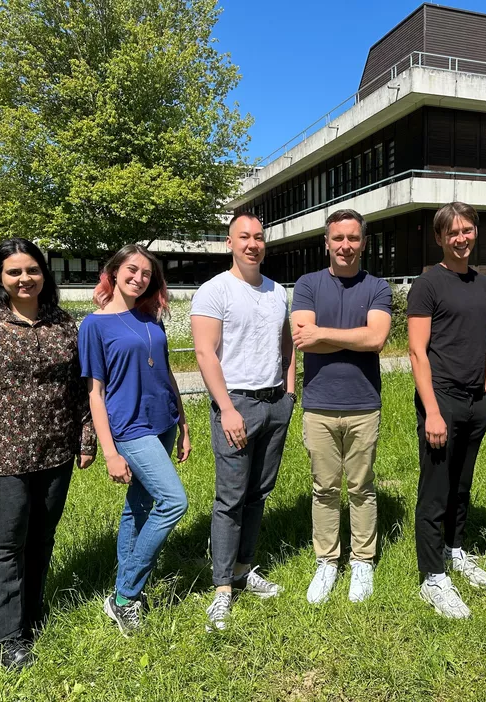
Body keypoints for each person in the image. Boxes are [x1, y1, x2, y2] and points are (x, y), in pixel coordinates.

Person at [0, 238, 95, 669]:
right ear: (0, 277)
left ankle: (31, 615)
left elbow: (79, 387)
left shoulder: (62, 322)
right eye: (14, 272)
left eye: (32, 270)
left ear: (45, 274)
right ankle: (7, 638)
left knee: (41, 540)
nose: (25, 278)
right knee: (4, 547)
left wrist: (85, 438)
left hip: (55, 454)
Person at [78, 244, 191, 636]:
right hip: (129, 428)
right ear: (113, 271)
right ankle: (125, 595)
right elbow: (95, 393)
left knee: (139, 506)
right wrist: (108, 451)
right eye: (131, 269)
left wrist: (184, 423)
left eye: (146, 273)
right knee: (174, 502)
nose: (139, 278)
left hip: (164, 422)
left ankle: (124, 590)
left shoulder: (151, 319)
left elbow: (167, 373)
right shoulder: (93, 325)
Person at [191, 212, 296, 630]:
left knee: (258, 494)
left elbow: (286, 345)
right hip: (236, 405)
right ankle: (221, 589)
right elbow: (204, 354)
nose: (252, 243)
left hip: (274, 404)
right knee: (231, 498)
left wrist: (289, 393)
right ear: (229, 243)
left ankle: (243, 568)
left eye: (258, 237)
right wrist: (227, 409)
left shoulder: (276, 292)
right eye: (244, 237)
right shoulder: (214, 291)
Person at [291, 209, 392, 604]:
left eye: (353, 238)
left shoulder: (377, 287)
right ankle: (327, 561)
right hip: (318, 403)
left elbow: (377, 340)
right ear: (327, 243)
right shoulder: (308, 284)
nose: (345, 246)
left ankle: (363, 560)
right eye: (338, 239)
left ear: (363, 243)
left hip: (364, 403)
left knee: (362, 487)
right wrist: (352, 336)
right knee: (324, 488)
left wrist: (324, 333)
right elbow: (304, 339)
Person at [408, 202, 486, 619]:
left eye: (467, 230)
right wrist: (433, 412)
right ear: (440, 238)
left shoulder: (484, 284)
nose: (461, 239)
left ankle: (455, 549)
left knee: (463, 486)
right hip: (440, 398)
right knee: (436, 489)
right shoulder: (428, 284)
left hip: (476, 401)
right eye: (452, 233)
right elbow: (416, 351)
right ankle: (432, 577)